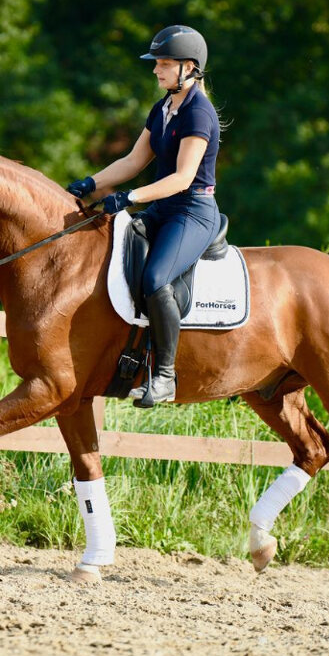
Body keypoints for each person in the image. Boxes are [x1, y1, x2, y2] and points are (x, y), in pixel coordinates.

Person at [66, 25, 222, 407]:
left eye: (164, 64)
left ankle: (166, 375)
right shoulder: (164, 108)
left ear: (189, 67)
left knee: (155, 279)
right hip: (163, 207)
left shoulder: (198, 113)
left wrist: (130, 197)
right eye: (157, 64)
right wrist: (90, 183)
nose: (156, 70)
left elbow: (183, 178)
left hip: (193, 211)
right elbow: (135, 160)